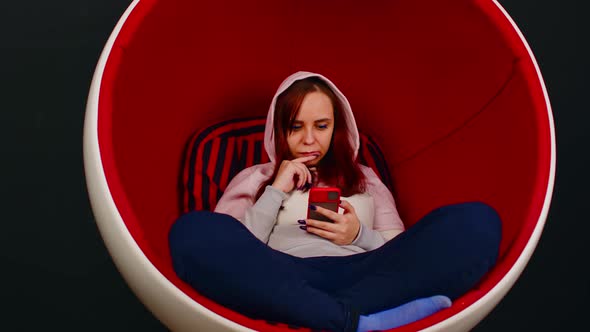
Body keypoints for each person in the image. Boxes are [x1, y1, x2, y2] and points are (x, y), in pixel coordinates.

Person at [169, 71, 502, 332]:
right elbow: (233, 248)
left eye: (321, 126)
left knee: (477, 223)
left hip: (366, 276)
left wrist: (359, 235)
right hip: (284, 275)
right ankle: (359, 323)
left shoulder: (367, 178)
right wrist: (276, 190)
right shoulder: (254, 178)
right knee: (191, 232)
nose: (309, 139)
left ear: (337, 128)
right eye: (295, 127)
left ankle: (326, 314)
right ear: (278, 130)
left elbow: (399, 252)